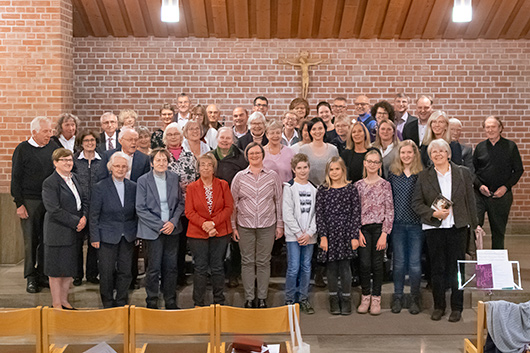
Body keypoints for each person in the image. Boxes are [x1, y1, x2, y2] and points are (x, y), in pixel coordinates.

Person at [412, 139, 478, 322]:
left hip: (458, 227)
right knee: (437, 268)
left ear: (448, 153)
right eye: (434, 152)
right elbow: (416, 203)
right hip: (435, 228)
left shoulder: (463, 173)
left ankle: (457, 307)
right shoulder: (424, 176)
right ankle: (439, 306)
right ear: (430, 156)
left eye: (442, 151)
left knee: (456, 269)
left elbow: (471, 202)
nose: (438, 154)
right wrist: (434, 213)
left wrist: (475, 225)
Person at [231, 142, 283, 308]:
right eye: (251, 153)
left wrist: (280, 225)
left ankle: (261, 297)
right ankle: (248, 298)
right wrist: (233, 226)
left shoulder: (273, 176)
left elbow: (279, 201)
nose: (254, 156)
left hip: (267, 225)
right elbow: (233, 203)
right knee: (247, 261)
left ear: (262, 155)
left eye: (257, 153)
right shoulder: (239, 177)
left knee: (263, 261)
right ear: (247, 156)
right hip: (245, 225)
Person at [11, 116, 58, 293]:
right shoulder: (22, 149)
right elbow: (15, 179)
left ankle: (43, 275)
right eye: (46, 131)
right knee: (31, 240)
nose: (49, 134)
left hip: (49, 201)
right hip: (30, 201)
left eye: (51, 131)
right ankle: (30, 277)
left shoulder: (53, 147)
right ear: (34, 132)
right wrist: (19, 204)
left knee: (47, 240)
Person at [136, 148, 185, 309]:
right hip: (153, 231)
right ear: (151, 163)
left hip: (172, 229)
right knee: (154, 268)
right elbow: (140, 208)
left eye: (164, 160)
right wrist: (160, 225)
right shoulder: (143, 180)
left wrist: (172, 222)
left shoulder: (173, 177)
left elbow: (180, 203)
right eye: (158, 160)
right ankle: (152, 301)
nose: (161, 163)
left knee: (171, 267)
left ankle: (170, 300)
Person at [185, 153, 233, 306]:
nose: (206, 167)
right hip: (197, 233)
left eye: (209, 165)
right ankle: (198, 303)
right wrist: (205, 225)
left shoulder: (223, 185)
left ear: (214, 168)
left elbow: (228, 208)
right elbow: (189, 211)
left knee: (218, 267)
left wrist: (212, 224)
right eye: (203, 165)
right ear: (198, 169)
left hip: (220, 232)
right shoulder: (192, 187)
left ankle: (219, 302)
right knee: (200, 268)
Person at [90, 152, 137, 308]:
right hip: (106, 236)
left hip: (128, 236)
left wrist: (136, 234)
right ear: (111, 167)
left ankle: (122, 301)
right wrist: (94, 237)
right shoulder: (100, 187)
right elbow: (94, 215)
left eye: (124, 166)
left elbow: (136, 213)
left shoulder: (133, 187)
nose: (120, 169)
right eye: (117, 166)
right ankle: (108, 302)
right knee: (107, 272)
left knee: (126, 271)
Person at [42, 148, 87, 309]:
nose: (68, 163)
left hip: (74, 232)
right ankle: (56, 303)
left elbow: (82, 201)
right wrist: (76, 221)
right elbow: (53, 209)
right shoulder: (50, 182)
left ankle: (64, 300)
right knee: (56, 270)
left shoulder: (74, 178)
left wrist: (84, 217)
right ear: (55, 163)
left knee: (69, 268)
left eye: (70, 160)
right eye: (64, 160)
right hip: (58, 231)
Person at [316, 156, 361, 315]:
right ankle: (334, 298)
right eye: (331, 169)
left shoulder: (351, 189)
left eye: (337, 169)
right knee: (332, 268)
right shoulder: (323, 190)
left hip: (346, 232)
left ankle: (346, 299)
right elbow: (319, 215)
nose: (334, 172)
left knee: (345, 267)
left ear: (343, 170)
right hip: (329, 232)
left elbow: (356, 214)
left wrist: (354, 236)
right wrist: (323, 236)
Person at [473, 116, 524, 250]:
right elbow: (473, 171)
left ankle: (496, 265)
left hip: (501, 196)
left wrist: (505, 187)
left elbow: (518, 170)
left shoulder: (510, 146)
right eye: (487, 127)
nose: (490, 130)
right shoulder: (480, 147)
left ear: (500, 128)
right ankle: (480, 265)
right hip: (480, 195)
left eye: (493, 127)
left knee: (498, 232)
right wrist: (480, 186)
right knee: (475, 229)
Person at [354, 150, 394, 316]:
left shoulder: (385, 185)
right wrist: (357, 231)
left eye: (375, 162)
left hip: (379, 228)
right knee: (364, 263)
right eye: (369, 161)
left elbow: (390, 209)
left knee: (377, 264)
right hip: (363, 229)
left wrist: (385, 233)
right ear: (364, 163)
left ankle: (376, 297)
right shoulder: (358, 185)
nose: (372, 164)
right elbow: (354, 210)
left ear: (379, 165)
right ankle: (366, 296)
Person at [387, 140, 423, 315]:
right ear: (398, 155)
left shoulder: (421, 174)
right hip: (398, 224)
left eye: (410, 152)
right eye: (403, 153)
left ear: (415, 154)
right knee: (399, 264)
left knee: (415, 264)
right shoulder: (393, 174)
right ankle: (398, 296)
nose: (406, 156)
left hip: (416, 224)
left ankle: (415, 297)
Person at [211, 127, 248, 288]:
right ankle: (215, 274)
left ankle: (234, 274)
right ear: (217, 139)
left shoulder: (241, 157)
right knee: (216, 241)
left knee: (235, 242)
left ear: (233, 140)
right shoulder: (210, 157)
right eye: (222, 138)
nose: (225, 141)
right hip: (215, 205)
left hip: (236, 204)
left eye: (228, 138)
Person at [165, 123, 199, 287]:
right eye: (170, 134)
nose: (173, 137)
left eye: (176, 134)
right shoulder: (161, 156)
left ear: (181, 137)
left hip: (188, 206)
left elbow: (197, 177)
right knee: (172, 243)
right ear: (165, 138)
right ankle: (171, 276)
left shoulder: (189, 156)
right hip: (169, 207)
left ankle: (181, 274)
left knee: (184, 241)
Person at [283, 153, 317, 314]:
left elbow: (317, 214)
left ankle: (303, 298)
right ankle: (289, 299)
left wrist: (309, 233)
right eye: (299, 168)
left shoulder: (314, 189)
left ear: (309, 168)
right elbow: (287, 212)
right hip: (293, 236)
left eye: (305, 167)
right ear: (293, 169)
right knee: (293, 267)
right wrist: (298, 232)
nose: (303, 171)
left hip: (309, 236)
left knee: (306, 267)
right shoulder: (289, 187)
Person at [72, 131, 102, 286]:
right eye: (86, 140)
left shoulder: (102, 159)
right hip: (78, 207)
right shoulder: (74, 160)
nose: (90, 143)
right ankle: (77, 275)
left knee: (94, 242)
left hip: (97, 207)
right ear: (81, 143)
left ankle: (92, 274)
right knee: (77, 243)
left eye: (92, 140)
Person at [299, 118, 339, 186]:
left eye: (320, 128)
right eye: (314, 129)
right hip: (308, 190)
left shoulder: (333, 149)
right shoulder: (303, 150)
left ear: (324, 130)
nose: (317, 131)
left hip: (329, 189)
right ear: (310, 132)